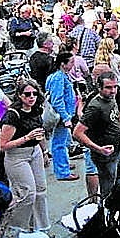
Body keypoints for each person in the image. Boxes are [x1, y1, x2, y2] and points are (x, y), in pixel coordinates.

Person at [0, 77, 49, 232]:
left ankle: (40, 229)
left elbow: (40, 133)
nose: (31, 97)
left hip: (35, 152)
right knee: (27, 193)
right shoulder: (13, 115)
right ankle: (19, 228)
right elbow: (2, 146)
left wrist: (45, 151)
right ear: (19, 95)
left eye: (34, 94)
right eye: (27, 94)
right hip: (17, 156)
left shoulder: (36, 109)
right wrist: (27, 137)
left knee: (40, 191)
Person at [75, 71, 120, 198]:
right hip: (104, 157)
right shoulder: (95, 107)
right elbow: (78, 132)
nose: (113, 91)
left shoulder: (111, 98)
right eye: (108, 87)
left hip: (115, 152)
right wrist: (98, 149)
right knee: (108, 192)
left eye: (115, 86)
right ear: (99, 87)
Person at [45, 50, 79, 182]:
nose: (73, 65)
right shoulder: (59, 78)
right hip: (61, 116)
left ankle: (63, 163)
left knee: (62, 141)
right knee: (59, 143)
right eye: (71, 62)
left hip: (63, 114)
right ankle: (62, 171)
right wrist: (65, 117)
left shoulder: (58, 76)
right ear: (63, 64)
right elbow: (57, 100)